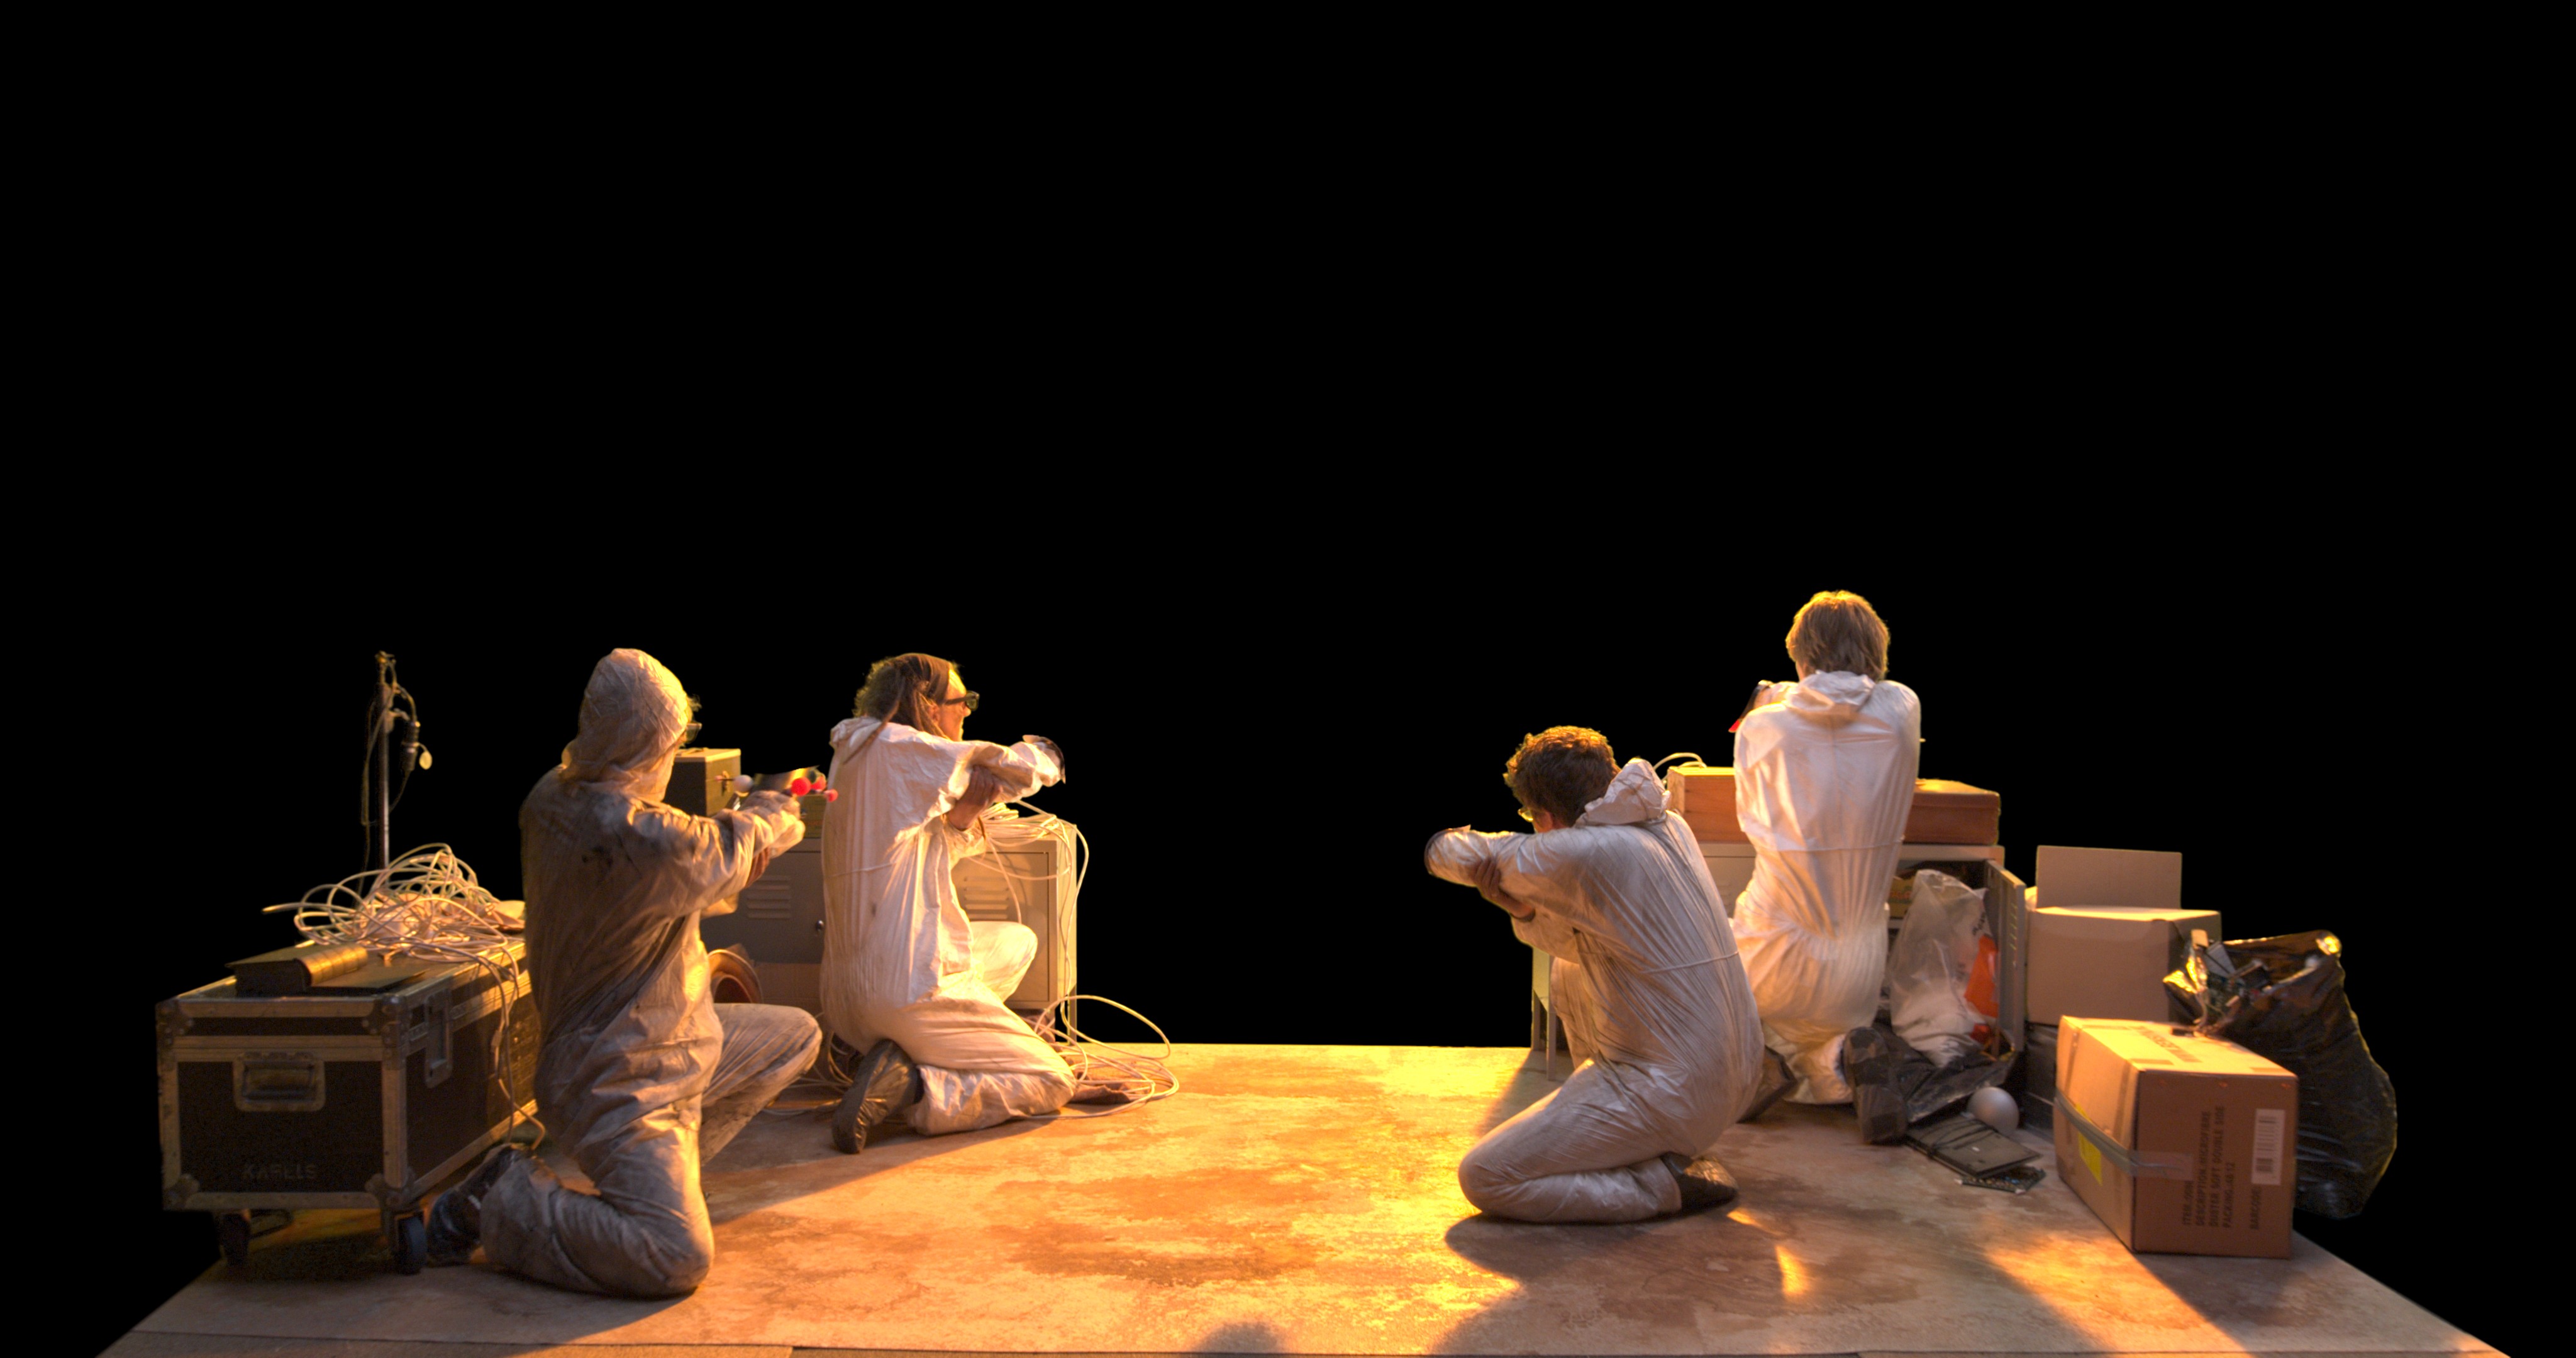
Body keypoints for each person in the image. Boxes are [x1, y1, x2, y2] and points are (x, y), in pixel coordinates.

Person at [423, 648, 820, 1296]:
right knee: (674, 1255)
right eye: (677, 739)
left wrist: (743, 832)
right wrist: (776, 804)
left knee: (794, 1035)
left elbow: (691, 867)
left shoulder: (549, 797)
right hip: (616, 1076)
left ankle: (667, 1177)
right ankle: (500, 1196)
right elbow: (729, 846)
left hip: (670, 1043)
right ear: (653, 741)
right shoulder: (640, 835)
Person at [1423, 727, 1765, 1223]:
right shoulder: (1670, 826)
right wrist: (1521, 909)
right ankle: (1624, 1136)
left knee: (1488, 1175)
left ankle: (1661, 1184)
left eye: (1531, 818)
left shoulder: (1587, 852)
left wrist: (1445, 839)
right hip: (1739, 1077)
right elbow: (1592, 939)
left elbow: (1452, 856)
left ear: (1544, 816)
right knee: (1567, 970)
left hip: (1677, 1094)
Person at [819, 653, 1079, 1154]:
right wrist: (1047, 752)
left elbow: (923, 849)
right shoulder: (897, 745)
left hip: (848, 998)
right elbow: (1006, 770)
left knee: (1015, 942)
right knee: (1052, 1079)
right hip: (906, 987)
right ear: (927, 705)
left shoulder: (858, 753)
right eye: (961, 701)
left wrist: (964, 815)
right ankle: (916, 1087)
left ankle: (892, 1054)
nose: (966, 712)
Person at [1729, 590, 1924, 1141]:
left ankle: (1754, 1066)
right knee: (1822, 1032)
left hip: (1775, 951)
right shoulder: (1902, 709)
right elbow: (1852, 699)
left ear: (1800, 655)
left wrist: (1772, 697)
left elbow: (1749, 811)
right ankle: (1840, 1057)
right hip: (1858, 966)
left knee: (1711, 979)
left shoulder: (1764, 728)